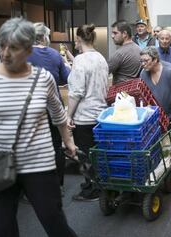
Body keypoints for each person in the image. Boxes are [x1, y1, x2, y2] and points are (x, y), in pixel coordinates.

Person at [0, 17, 77, 237]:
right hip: (0, 163)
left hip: (40, 165)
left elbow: (58, 114)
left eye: (13, 48)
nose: (5, 53)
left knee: (54, 223)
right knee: (3, 229)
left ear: (29, 49)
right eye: (2, 45)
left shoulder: (43, 78)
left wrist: (68, 141)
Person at [27, 22, 71, 195]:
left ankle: (36, 188)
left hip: (31, 109)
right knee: (56, 146)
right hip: (53, 107)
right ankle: (57, 186)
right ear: (45, 37)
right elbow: (65, 79)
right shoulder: (54, 54)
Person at [67, 24, 108, 201]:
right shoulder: (101, 58)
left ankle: (92, 190)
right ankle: (97, 184)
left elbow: (76, 92)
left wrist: (68, 115)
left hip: (84, 116)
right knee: (96, 153)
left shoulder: (80, 61)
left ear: (78, 40)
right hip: (99, 113)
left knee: (84, 155)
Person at [139, 46, 171, 171]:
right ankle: (162, 159)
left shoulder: (169, 70)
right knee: (157, 140)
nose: (142, 64)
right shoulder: (143, 73)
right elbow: (143, 93)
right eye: (141, 61)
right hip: (154, 114)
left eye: (145, 60)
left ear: (155, 60)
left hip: (170, 111)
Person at [109, 20, 141, 85]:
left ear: (124, 34)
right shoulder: (139, 49)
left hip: (120, 92)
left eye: (115, 33)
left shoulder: (119, 54)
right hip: (133, 91)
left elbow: (104, 72)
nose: (112, 36)